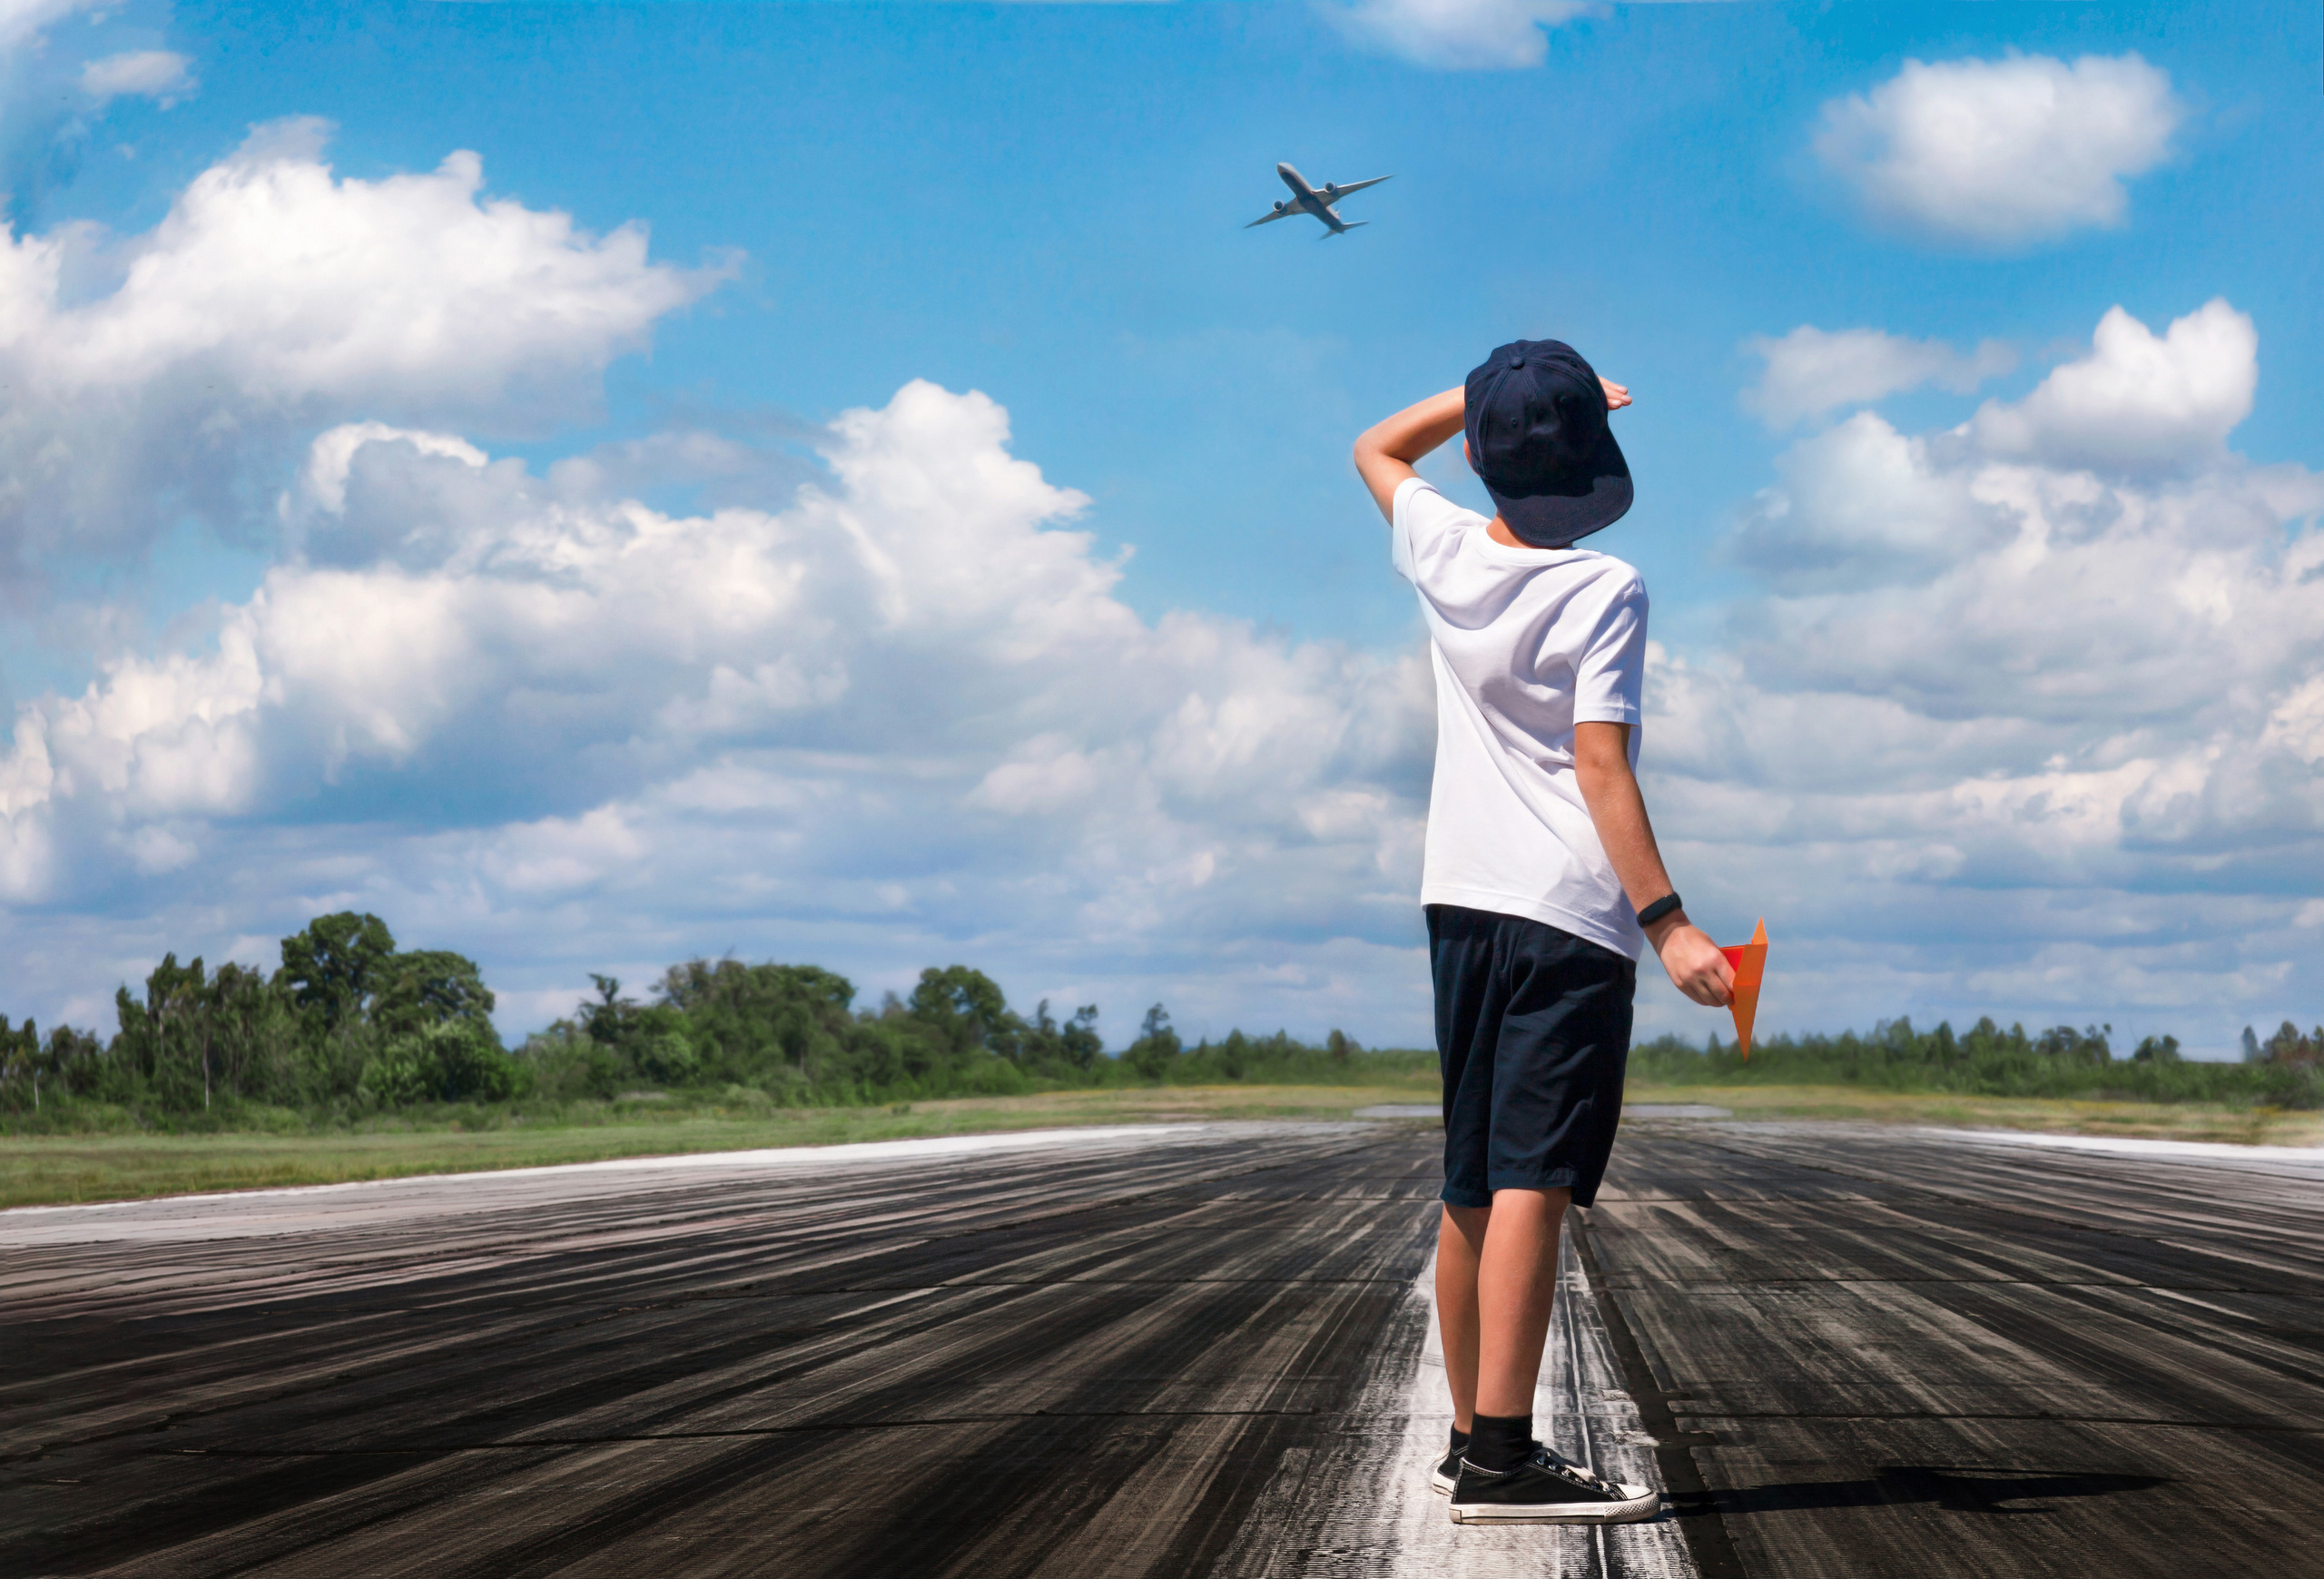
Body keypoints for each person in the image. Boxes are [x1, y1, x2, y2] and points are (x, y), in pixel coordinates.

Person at [1352, 340, 1733, 1525]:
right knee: (1534, 1179)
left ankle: (1475, 1443)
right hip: (1568, 913)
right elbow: (1600, 765)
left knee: (1473, 1184)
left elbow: (1377, 445)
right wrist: (1667, 924)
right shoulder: (1602, 588)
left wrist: (1488, 397)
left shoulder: (1444, 547)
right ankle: (1511, 1459)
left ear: (1477, 456)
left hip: (1459, 901)